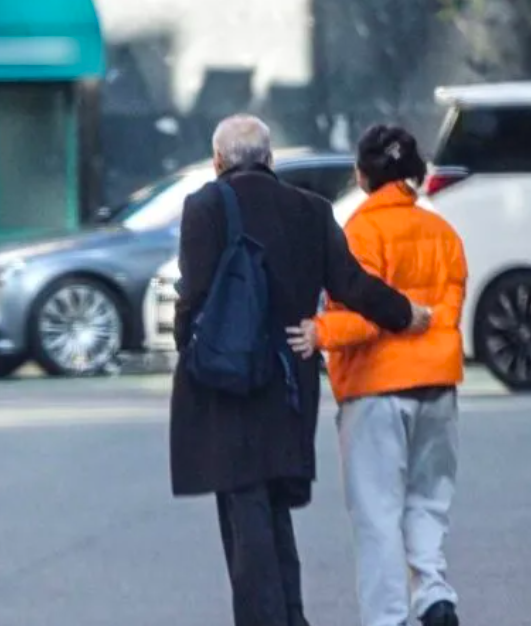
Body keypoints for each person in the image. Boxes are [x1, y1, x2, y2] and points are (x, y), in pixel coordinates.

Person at [170, 115, 432, 626]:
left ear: (218, 161)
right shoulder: (311, 210)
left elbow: (192, 294)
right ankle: (292, 615)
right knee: (271, 505)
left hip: (228, 378)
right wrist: (405, 313)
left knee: (244, 513)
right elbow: (351, 284)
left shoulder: (203, 207)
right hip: (291, 377)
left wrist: (189, 349)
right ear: (270, 159)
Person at [288, 124, 468, 626]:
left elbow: (368, 313)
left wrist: (320, 331)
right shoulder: (443, 232)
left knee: (377, 515)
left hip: (375, 389)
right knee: (429, 500)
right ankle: (433, 595)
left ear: (362, 174)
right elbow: (443, 309)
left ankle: (388, 618)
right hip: (438, 382)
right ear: (413, 172)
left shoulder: (361, 232)